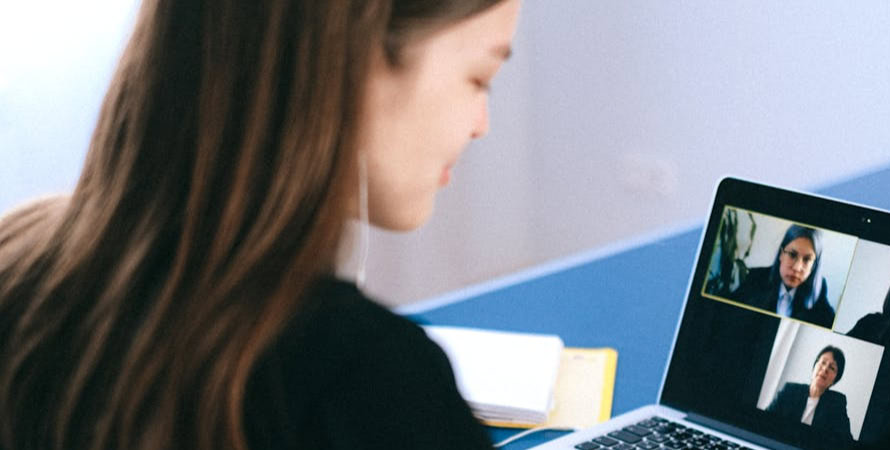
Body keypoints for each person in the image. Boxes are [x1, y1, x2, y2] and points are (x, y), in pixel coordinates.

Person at [0, 0, 520, 449]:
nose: (482, 124)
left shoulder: (16, 266)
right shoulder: (364, 384)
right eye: (480, 78)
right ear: (351, 54)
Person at [729, 225, 835, 328]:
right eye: (792, 255)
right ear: (781, 254)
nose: (797, 268)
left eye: (807, 260)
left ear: (814, 266)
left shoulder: (819, 291)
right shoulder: (756, 278)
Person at [766, 346, 853, 440]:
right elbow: (765, 420)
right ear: (814, 367)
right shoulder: (789, 390)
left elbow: (845, 441)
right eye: (823, 362)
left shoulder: (837, 403)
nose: (824, 369)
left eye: (832, 368)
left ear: (835, 380)